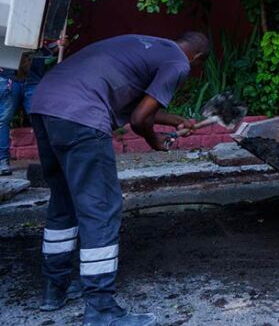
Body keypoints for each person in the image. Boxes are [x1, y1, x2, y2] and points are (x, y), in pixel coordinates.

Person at [29, 32, 209, 326]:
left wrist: (176, 121)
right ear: (197, 58)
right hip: (82, 114)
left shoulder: (144, 46)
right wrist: (156, 142)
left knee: (63, 201)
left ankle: (55, 288)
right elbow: (139, 120)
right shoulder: (179, 63)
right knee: (100, 207)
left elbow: (136, 104)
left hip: (45, 104)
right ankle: (101, 308)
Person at [0, 44, 59, 176]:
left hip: (32, 77)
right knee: (3, 120)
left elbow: (47, 50)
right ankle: (2, 160)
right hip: (8, 77)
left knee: (41, 119)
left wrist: (58, 45)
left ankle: (52, 160)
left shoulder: (43, 25)